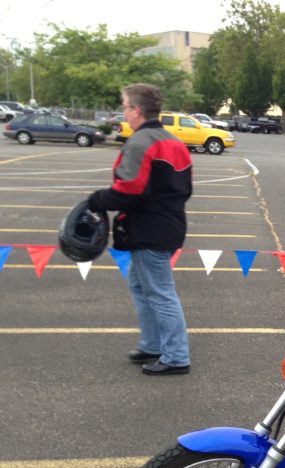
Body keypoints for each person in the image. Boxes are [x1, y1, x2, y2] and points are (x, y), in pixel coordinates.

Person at [87, 83, 193, 376]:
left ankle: (176, 357)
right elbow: (185, 190)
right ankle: (153, 344)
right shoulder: (173, 142)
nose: (123, 113)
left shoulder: (141, 142)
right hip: (167, 225)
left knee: (160, 293)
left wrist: (95, 200)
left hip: (151, 230)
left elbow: (129, 191)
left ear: (135, 110)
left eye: (124, 107)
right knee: (141, 285)